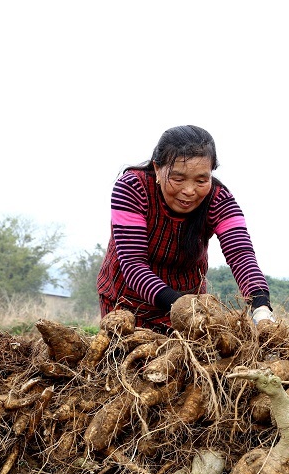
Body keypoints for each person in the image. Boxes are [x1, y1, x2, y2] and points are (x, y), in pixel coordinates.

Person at [97, 125, 274, 331]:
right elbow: (133, 264)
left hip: (190, 306)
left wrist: (261, 307)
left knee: (187, 362)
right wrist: (183, 308)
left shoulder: (219, 199)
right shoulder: (132, 188)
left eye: (201, 180)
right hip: (128, 303)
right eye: (178, 179)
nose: (189, 191)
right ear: (157, 168)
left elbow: (241, 255)